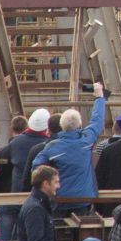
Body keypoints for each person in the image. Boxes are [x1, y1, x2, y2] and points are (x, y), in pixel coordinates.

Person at [35, 83, 107, 213]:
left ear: (62, 125)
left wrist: (46, 187)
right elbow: (97, 121)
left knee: (59, 230)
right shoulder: (86, 141)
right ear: (80, 124)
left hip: (59, 198)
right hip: (83, 199)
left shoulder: (52, 147)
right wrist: (99, 98)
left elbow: (36, 167)